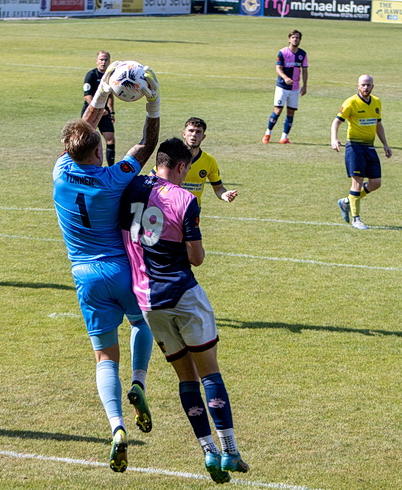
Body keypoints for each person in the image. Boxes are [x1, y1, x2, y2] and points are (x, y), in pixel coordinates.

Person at [120, 137, 250, 484]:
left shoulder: (130, 187)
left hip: (148, 303)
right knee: (210, 374)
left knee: (185, 378)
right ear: (179, 166)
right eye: (187, 168)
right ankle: (230, 451)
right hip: (183, 296)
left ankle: (207, 450)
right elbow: (196, 258)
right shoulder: (185, 199)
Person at [53, 62, 160, 473]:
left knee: (103, 358)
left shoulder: (61, 172)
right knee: (141, 325)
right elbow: (145, 146)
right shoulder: (113, 178)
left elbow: (83, 129)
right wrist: (153, 101)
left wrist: (100, 95)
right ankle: (140, 382)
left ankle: (116, 426)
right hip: (122, 270)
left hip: (85, 277)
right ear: (98, 152)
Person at [331, 75, 392, 230]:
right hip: (355, 147)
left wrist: (385, 144)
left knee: (375, 183)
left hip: (370, 147)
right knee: (357, 182)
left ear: (373, 86)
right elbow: (337, 121)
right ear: (358, 86)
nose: (366, 88)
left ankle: (346, 202)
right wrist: (334, 139)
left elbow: (378, 124)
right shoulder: (351, 102)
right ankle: (356, 219)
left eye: (369, 85)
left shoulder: (377, 102)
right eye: (363, 85)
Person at [262, 30, 308, 145]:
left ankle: (284, 137)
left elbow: (305, 70)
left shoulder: (302, 54)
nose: (295, 39)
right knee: (277, 110)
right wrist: (285, 77)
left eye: (297, 38)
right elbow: (278, 68)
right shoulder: (282, 52)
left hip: (295, 88)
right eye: (293, 37)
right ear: (289, 39)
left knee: (291, 112)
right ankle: (268, 134)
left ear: (300, 40)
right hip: (282, 87)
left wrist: (305, 85)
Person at [179, 117, 237, 208]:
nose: (194, 135)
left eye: (198, 132)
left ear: (203, 137)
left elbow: (218, 188)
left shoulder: (209, 161)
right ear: (184, 134)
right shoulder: (172, 157)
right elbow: (153, 178)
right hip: (169, 209)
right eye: (191, 131)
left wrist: (224, 194)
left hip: (192, 211)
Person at [82, 51, 117, 166]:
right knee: (85, 139)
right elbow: (87, 96)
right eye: (101, 60)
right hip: (91, 112)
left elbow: (111, 96)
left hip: (105, 112)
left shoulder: (109, 77)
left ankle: (111, 167)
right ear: (97, 61)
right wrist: (98, 109)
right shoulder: (91, 75)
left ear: (109, 61)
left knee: (110, 138)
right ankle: (84, 164)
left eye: (106, 60)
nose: (103, 62)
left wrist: (111, 112)